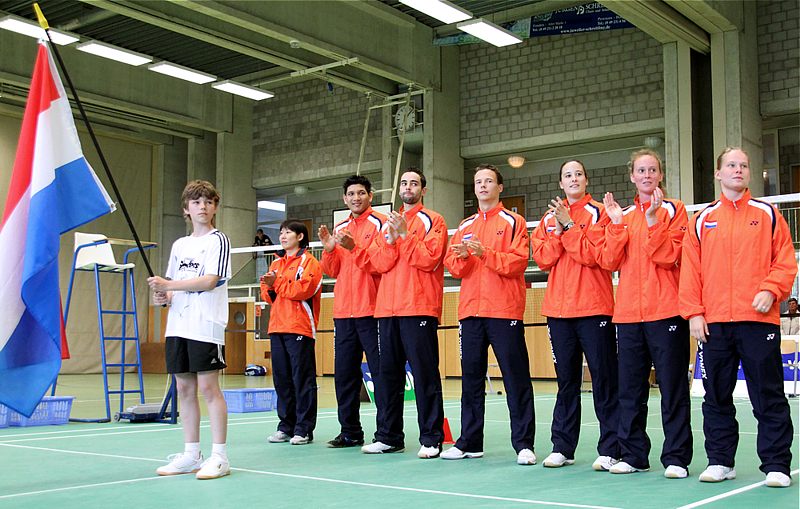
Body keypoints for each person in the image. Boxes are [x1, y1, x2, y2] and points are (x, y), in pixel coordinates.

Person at [680, 147, 797, 488]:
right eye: (731, 165)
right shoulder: (701, 219)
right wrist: (694, 314)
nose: (738, 170)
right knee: (716, 396)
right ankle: (720, 461)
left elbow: (785, 260)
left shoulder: (768, 214)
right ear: (718, 174)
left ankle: (776, 465)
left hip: (758, 322)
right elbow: (691, 272)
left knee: (768, 394)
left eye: (743, 165)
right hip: (714, 323)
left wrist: (771, 289)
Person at [597, 149, 693, 478]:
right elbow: (608, 261)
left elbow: (670, 257)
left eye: (653, 169)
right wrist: (615, 225)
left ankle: (677, 457)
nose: (648, 175)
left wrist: (653, 223)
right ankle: (633, 454)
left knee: (673, 388)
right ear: (632, 177)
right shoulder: (622, 215)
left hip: (666, 313)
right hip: (627, 317)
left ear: (661, 175)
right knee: (630, 391)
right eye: (641, 170)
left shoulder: (676, 211)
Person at [442, 164, 536, 465]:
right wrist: (465, 258)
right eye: (478, 182)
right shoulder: (465, 224)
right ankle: (470, 441)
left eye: (488, 181)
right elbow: (453, 266)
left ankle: (523, 444)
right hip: (470, 311)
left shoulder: (514, 222)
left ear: (500, 188)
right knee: (470, 379)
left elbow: (518, 262)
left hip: (503, 309)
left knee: (515, 377)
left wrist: (485, 254)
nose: (482, 186)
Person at [531, 160, 619, 471]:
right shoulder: (547, 219)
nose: (573, 178)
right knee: (566, 382)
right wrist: (558, 230)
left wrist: (569, 226)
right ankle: (562, 447)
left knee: (604, 380)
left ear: (586, 179)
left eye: (578, 173)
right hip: (558, 312)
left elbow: (597, 257)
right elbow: (543, 258)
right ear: (560, 183)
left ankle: (611, 448)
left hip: (594, 308)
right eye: (567, 175)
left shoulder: (600, 212)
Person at [360, 168, 447, 459]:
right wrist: (392, 239)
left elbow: (429, 259)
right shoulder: (386, 224)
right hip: (387, 309)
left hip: (418, 306)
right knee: (388, 376)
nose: (408, 187)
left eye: (414, 183)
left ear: (423, 189)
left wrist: (406, 236)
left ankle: (432, 438)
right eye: (404, 183)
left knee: (424, 375)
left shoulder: (434, 221)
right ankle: (388, 436)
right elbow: (379, 263)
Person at [148, 180, 232, 480]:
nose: (203, 207)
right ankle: (191, 454)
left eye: (208, 202)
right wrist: (163, 295)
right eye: (196, 202)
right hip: (178, 326)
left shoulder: (218, 240)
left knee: (209, 389)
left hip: (205, 326)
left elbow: (210, 280)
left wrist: (169, 285)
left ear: (215, 207)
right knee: (184, 389)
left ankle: (219, 456)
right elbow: (171, 289)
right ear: (186, 209)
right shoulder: (179, 246)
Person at [318, 175, 386, 448]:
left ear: (370, 195)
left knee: (380, 374)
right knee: (345, 374)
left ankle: (386, 433)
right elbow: (332, 270)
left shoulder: (381, 224)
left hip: (372, 309)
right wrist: (329, 250)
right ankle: (350, 431)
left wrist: (353, 247)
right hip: (344, 311)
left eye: (361, 193)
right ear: (344, 199)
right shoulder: (341, 226)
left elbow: (381, 263)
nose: (356, 198)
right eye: (351, 194)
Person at [261, 220, 323, 445]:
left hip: (300, 327)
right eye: (281, 232)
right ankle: (285, 426)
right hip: (277, 327)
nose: (283, 236)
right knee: (282, 380)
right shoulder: (275, 264)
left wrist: (277, 283)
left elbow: (303, 290)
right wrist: (272, 286)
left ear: (300, 237)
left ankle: (304, 428)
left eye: (288, 232)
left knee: (302, 379)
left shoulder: (310, 263)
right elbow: (267, 296)